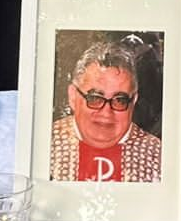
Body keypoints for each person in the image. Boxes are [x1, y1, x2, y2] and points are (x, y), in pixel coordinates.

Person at [48, 38, 163, 183]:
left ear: (133, 101)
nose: (106, 113)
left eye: (119, 100)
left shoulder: (156, 156)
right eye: (95, 98)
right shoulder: (45, 145)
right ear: (73, 96)